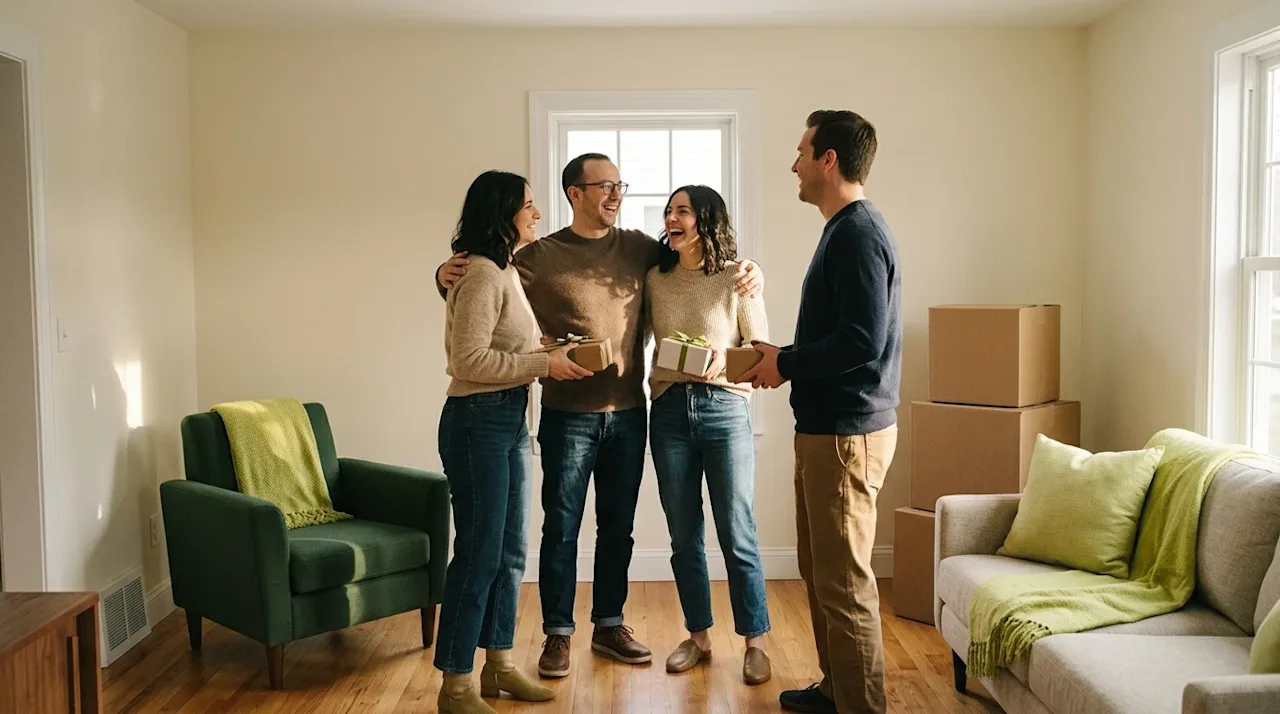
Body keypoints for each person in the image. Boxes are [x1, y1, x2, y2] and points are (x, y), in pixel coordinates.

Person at [435, 153, 763, 678]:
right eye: (604, 185)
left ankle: (609, 625)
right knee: (560, 530)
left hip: (631, 414)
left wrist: (749, 268)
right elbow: (480, 282)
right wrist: (440, 272)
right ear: (575, 193)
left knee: (618, 529)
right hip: (566, 417)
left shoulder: (638, 248)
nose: (616, 194)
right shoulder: (535, 256)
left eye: (620, 185)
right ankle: (557, 636)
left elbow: (700, 253)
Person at [738, 111, 902, 714]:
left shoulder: (858, 233)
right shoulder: (843, 229)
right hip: (831, 430)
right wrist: (784, 357)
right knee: (821, 571)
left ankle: (861, 706)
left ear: (828, 159)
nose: (794, 164)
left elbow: (863, 339)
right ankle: (837, 691)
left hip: (847, 435)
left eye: (802, 151)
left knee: (845, 584)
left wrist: (787, 363)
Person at [434, 170, 593, 714]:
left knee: (507, 553)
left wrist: (551, 349)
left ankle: (498, 666)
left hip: (505, 417)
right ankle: (455, 685)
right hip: (476, 419)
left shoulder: (502, 269)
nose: (538, 214)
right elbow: (467, 360)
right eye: (529, 205)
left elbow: (508, 342)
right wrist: (542, 362)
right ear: (503, 212)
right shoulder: (479, 273)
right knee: (478, 554)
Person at [645, 185, 773, 685]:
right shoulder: (656, 277)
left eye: (683, 211)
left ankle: (755, 642)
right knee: (684, 534)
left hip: (724, 409)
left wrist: (725, 360)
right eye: (669, 211)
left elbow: (759, 351)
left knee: (736, 530)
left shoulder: (737, 278)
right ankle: (698, 637)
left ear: (706, 220)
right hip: (670, 411)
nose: (671, 218)